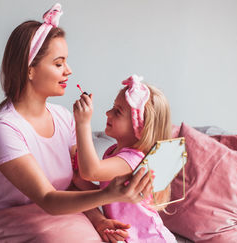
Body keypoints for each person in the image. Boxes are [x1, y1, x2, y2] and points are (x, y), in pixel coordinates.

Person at [0, 4, 153, 243]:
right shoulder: (3, 129)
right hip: (8, 223)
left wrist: (99, 221)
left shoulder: (64, 118)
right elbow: (48, 199)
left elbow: (74, 184)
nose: (69, 71)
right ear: (30, 70)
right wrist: (107, 194)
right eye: (59, 63)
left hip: (55, 218)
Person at [72, 75, 177, 242]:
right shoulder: (112, 152)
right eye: (113, 107)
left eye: (117, 111)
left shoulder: (134, 160)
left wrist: (83, 124)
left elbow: (91, 171)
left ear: (141, 126)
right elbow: (106, 193)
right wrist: (76, 179)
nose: (107, 113)